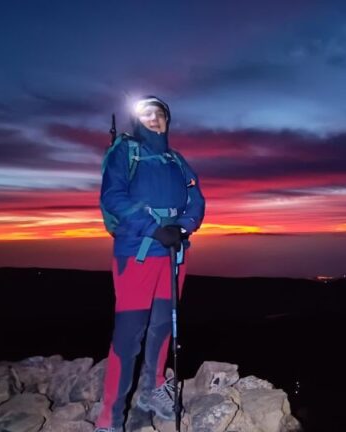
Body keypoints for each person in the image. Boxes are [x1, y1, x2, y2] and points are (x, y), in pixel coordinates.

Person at [95, 95, 205, 431]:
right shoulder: (125, 151)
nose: (154, 119)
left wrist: (183, 226)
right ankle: (109, 418)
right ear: (137, 120)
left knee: (162, 327)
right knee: (129, 335)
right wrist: (155, 229)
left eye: (160, 114)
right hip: (138, 253)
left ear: (167, 121)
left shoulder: (176, 159)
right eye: (147, 114)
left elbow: (196, 198)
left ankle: (153, 389)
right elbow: (112, 196)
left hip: (173, 255)